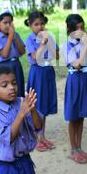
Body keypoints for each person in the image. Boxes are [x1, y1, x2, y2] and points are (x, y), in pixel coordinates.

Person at [61, 14, 87, 164]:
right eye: (77, 28)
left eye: (82, 27)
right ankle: (73, 148)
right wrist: (84, 46)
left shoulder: (84, 43)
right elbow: (75, 65)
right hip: (75, 81)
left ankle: (79, 147)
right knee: (73, 116)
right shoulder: (67, 45)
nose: (81, 31)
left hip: (85, 80)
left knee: (81, 115)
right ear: (69, 30)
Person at [24, 11, 59, 152]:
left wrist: (49, 42)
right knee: (36, 105)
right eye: (36, 24)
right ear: (30, 26)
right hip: (37, 72)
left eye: (42, 23)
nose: (40, 26)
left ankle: (42, 136)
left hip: (48, 72)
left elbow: (57, 56)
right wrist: (42, 43)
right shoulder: (29, 39)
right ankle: (34, 137)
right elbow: (36, 57)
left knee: (44, 104)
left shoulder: (49, 36)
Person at [0, 9, 26, 97]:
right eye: (5, 23)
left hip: (16, 64)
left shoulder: (15, 35)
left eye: (10, 22)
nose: (8, 25)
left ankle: (19, 107)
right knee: (7, 90)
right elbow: (5, 54)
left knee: (18, 87)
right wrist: (10, 38)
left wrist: (15, 37)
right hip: (4, 66)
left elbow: (22, 52)